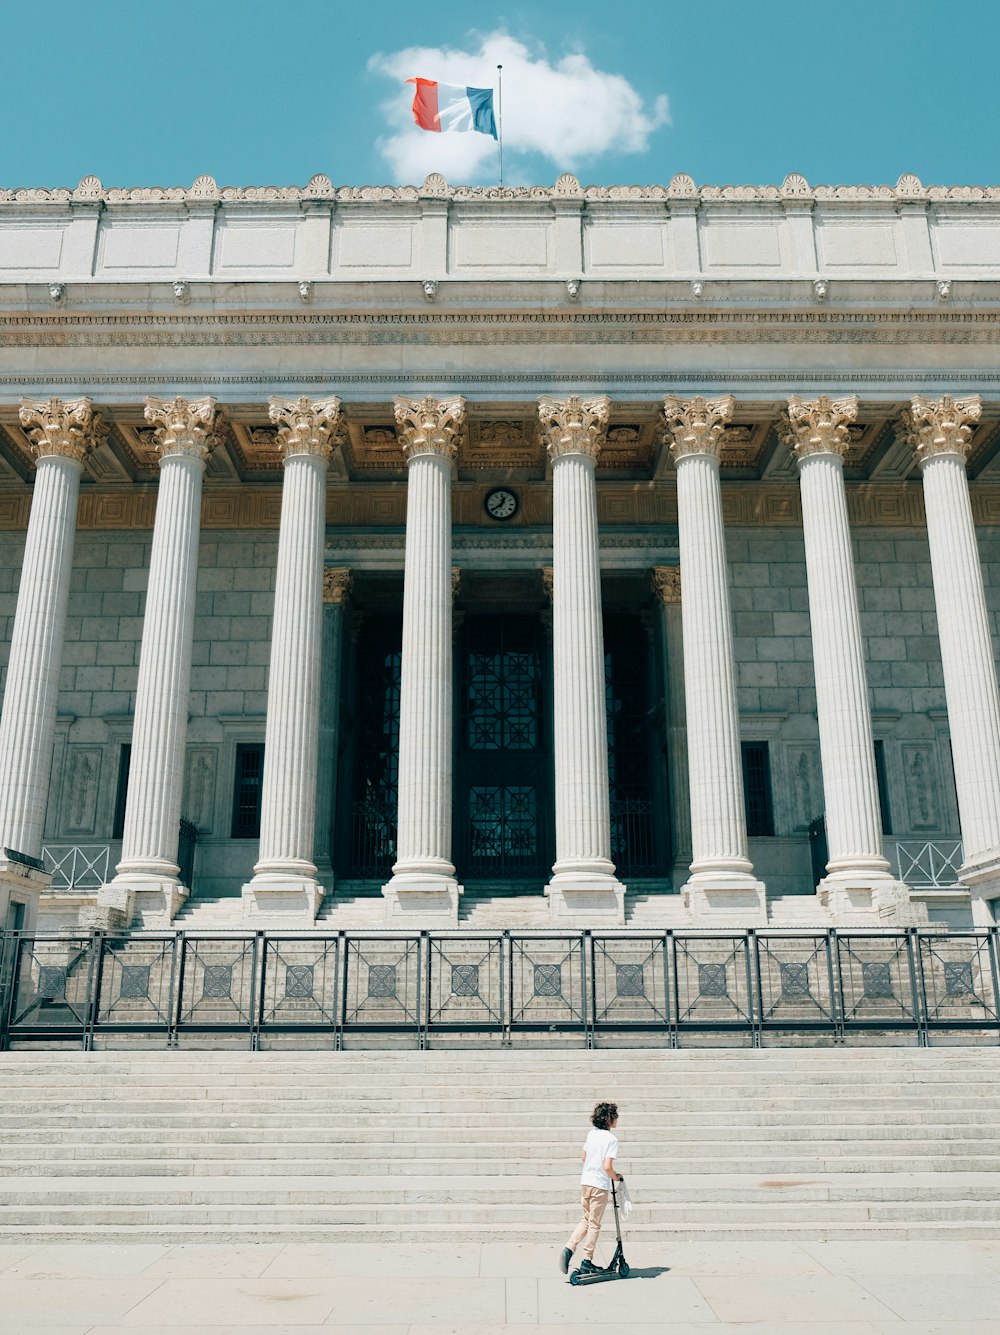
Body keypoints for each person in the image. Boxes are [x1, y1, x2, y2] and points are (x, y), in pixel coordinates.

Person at [560, 1100, 623, 1274]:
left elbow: (583, 1157)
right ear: (609, 1119)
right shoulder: (611, 1139)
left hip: (585, 1182)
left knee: (586, 1220)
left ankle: (569, 1248)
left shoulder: (591, 1134)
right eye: (615, 1117)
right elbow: (608, 1167)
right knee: (594, 1224)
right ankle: (587, 1259)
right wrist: (616, 1177)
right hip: (599, 1186)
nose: (617, 1119)